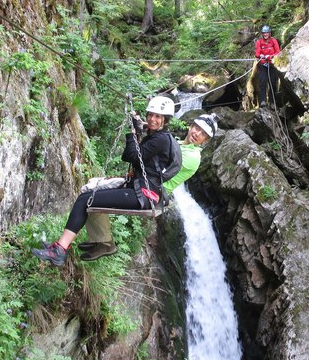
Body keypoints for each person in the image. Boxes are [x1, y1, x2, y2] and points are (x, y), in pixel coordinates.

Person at [32, 96, 217, 267]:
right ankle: (100, 242)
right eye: (151, 115)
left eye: (158, 116)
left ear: (166, 119)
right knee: (89, 193)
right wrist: (142, 130)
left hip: (146, 194)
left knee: (86, 199)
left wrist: (134, 132)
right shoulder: (168, 139)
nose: (153, 119)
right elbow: (150, 153)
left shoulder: (183, 151)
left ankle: (60, 249)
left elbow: (131, 155)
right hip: (143, 188)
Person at [80, 112, 219, 261]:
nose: (197, 133)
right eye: (196, 128)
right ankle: (101, 240)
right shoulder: (176, 142)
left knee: (90, 191)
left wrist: (139, 132)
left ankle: (103, 242)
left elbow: (149, 159)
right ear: (191, 126)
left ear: (206, 140)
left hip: (151, 190)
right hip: (141, 182)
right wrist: (148, 128)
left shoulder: (192, 157)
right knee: (91, 188)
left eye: (203, 133)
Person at [254, 25, 280, 108]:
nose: (265, 34)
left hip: (272, 65)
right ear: (262, 33)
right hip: (262, 65)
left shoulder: (273, 41)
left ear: (269, 33)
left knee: (272, 83)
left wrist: (271, 56)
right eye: (264, 33)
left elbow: (277, 52)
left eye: (267, 33)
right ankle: (263, 101)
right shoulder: (259, 42)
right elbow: (257, 53)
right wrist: (261, 55)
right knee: (263, 82)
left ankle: (272, 102)